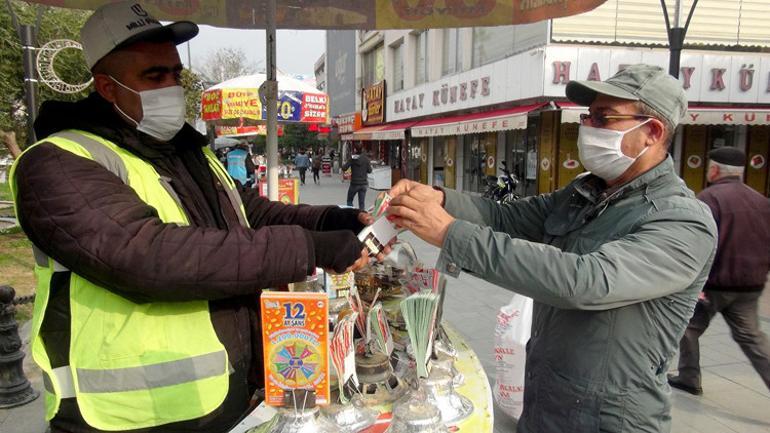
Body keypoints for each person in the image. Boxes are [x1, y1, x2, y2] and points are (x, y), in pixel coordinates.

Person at [9, 2, 382, 432]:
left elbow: (248, 213)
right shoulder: (58, 162)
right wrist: (309, 248)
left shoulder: (187, 151)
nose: (170, 87)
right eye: (153, 76)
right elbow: (149, 255)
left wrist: (333, 220)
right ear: (107, 87)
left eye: (174, 74)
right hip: (130, 415)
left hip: (227, 393)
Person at [387, 64, 718, 432]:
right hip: (546, 402)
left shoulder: (682, 221)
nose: (589, 127)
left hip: (611, 418)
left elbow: (585, 281)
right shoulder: (586, 192)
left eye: (604, 118)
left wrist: (450, 233)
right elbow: (506, 218)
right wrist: (440, 198)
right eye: (588, 116)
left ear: (651, 132)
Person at [668, 147, 770, 395]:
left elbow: (699, 244)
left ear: (714, 170)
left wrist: (694, 283)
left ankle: (689, 378)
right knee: (752, 338)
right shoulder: (762, 200)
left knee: (689, 328)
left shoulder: (708, 199)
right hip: (751, 285)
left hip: (715, 285)